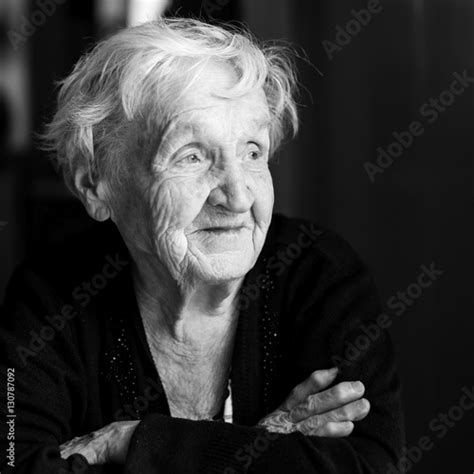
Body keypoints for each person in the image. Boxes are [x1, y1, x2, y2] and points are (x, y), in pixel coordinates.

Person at [0, 18, 404, 473]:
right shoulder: (49, 299)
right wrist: (261, 445)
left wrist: (136, 443)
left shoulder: (319, 274)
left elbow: (371, 466)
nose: (237, 196)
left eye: (253, 152)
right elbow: (17, 464)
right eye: (191, 156)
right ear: (96, 185)